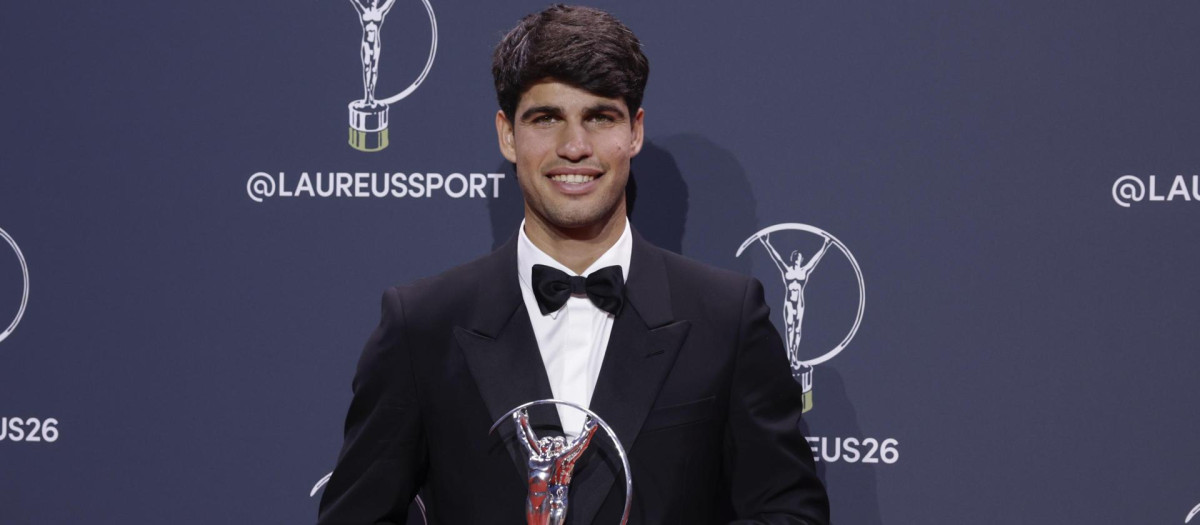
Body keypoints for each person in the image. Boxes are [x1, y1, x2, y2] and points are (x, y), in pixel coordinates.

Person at [318, 5, 830, 524]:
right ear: (507, 135)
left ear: (634, 132)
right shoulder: (422, 325)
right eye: (546, 118)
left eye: (600, 117)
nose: (574, 147)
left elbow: (789, 514)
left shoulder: (727, 319)